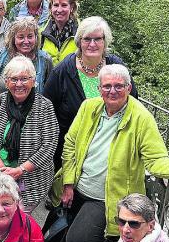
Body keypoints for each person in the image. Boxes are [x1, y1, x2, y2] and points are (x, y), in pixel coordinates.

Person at [49, 64, 169, 242]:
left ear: (129, 88)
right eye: (106, 86)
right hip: (77, 187)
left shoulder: (141, 118)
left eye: (118, 86)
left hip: (105, 197)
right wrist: (68, 183)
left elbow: (155, 157)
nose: (112, 91)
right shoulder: (89, 107)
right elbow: (70, 143)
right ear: (99, 89)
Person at [43, 16, 136, 171]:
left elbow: (133, 102)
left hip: (112, 151)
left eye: (97, 39)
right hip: (71, 153)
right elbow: (46, 110)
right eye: (87, 39)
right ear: (79, 41)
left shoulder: (116, 66)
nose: (92, 44)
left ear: (105, 41)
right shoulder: (63, 71)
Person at [0, 56, 59, 213]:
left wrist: (20, 170)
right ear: (6, 82)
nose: (19, 84)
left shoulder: (44, 106)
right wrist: (2, 169)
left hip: (30, 179)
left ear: (33, 80)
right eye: (14, 79)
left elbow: (49, 145)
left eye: (24, 79)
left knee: (19, 218)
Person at [0, 16, 53, 95]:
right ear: (13, 38)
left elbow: (51, 92)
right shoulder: (0, 56)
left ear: (36, 37)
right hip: (1, 106)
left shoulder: (44, 60)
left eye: (30, 36)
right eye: (21, 37)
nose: (26, 41)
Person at [41, 0, 80, 66]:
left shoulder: (81, 33)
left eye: (64, 5)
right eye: (56, 5)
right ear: (50, 8)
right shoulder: (41, 34)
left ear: (71, 7)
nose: (59, 10)